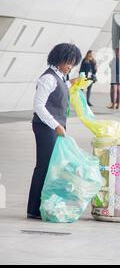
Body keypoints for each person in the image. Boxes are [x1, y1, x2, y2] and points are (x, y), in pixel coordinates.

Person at [27, 43, 82, 219]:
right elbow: (39, 106)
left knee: (52, 167)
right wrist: (56, 125)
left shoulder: (59, 76)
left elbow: (61, 86)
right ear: (59, 59)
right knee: (43, 166)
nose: (70, 66)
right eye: (68, 62)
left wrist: (71, 83)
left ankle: (43, 205)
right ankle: (33, 209)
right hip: (45, 127)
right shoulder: (48, 78)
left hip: (53, 126)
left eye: (73, 63)